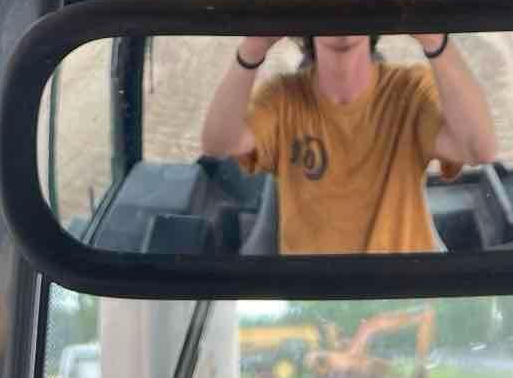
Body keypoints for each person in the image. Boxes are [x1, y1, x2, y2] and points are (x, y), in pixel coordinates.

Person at [199, 32, 497, 254]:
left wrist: (436, 41)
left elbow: (478, 148)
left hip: (406, 292)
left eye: (356, 4)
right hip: (314, 297)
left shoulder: (410, 91)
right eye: (326, 6)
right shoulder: (281, 99)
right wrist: (253, 48)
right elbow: (219, 143)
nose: (342, 22)